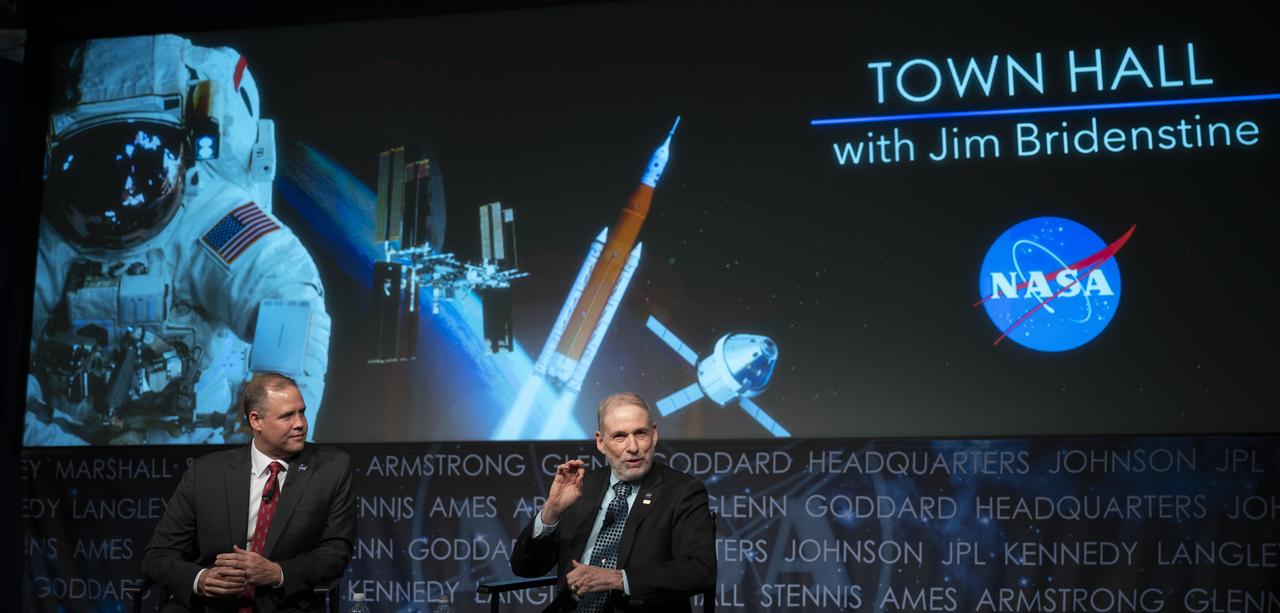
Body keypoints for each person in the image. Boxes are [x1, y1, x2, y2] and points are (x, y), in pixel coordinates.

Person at [25, 34, 329, 446]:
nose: (122, 198)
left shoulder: (215, 223)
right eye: (98, 171)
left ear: (184, 155)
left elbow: (290, 303)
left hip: (194, 451)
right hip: (70, 449)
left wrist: (258, 451)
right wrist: (60, 455)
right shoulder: (52, 238)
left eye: (144, 167)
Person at [141, 373, 355, 612]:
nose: (300, 424)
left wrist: (277, 572)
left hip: (285, 604)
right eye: (287, 416)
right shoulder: (205, 473)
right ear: (256, 421)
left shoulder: (332, 468)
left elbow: (336, 552)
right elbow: (157, 555)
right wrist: (200, 579)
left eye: (302, 412)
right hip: (209, 605)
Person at [511, 392, 716, 612]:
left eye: (640, 434)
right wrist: (551, 512)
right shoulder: (581, 488)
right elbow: (525, 568)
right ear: (600, 442)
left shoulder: (682, 491)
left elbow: (699, 570)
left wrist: (618, 579)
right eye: (620, 436)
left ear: (654, 434)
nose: (633, 447)